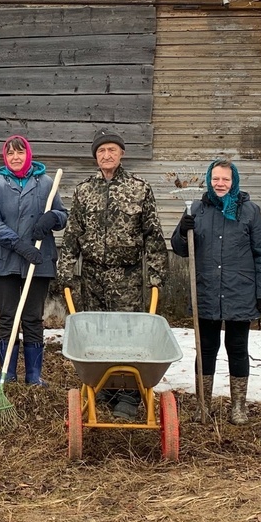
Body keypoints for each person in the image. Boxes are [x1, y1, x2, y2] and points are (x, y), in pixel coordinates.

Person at [56, 129, 167, 420]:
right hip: (91, 277)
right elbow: (72, 237)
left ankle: (128, 396)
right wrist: (65, 272)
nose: (107, 155)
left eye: (112, 150)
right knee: (96, 335)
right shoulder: (83, 191)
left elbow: (153, 236)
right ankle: (102, 387)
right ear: (95, 156)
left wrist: (157, 275)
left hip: (127, 278)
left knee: (128, 336)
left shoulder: (139, 189)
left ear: (121, 153)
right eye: (101, 151)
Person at [171, 158, 261, 425]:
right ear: (209, 180)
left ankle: (238, 406)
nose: (220, 184)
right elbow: (181, 249)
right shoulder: (196, 209)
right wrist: (183, 232)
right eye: (216, 179)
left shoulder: (250, 211)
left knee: (237, 347)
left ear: (234, 182)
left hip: (240, 290)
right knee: (206, 349)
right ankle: (202, 406)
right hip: (206, 289)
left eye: (225, 179)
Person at [0, 135, 67, 385]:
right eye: (10, 154)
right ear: (5, 157)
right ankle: (7, 373)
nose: (16, 157)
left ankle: (34, 375)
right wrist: (18, 244)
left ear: (28, 154)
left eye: (20, 153)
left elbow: (63, 215)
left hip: (38, 261)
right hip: (4, 262)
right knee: (8, 316)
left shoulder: (46, 183)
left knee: (32, 317)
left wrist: (51, 218)